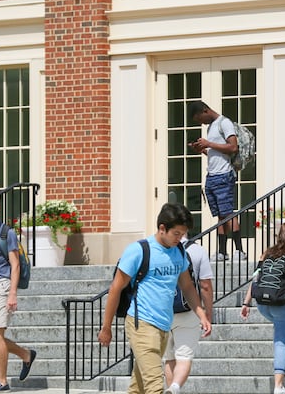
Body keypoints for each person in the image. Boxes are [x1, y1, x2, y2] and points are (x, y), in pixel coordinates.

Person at [98, 203, 212, 394]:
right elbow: (115, 289)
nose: (180, 238)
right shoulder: (139, 250)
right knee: (154, 385)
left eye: (183, 234)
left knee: (139, 386)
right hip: (141, 323)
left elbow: (187, 286)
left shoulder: (179, 252)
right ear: (162, 228)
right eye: (176, 233)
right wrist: (106, 327)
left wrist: (201, 314)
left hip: (164, 327)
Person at [240, 222, 285, 394]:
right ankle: (278, 386)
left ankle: (279, 384)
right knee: (281, 342)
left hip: (262, 304)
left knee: (278, 326)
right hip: (282, 305)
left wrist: (246, 302)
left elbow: (255, 279)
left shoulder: (267, 252)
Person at [0, 194, 36, 392]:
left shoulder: (7, 233)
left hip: (2, 285)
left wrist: (12, 293)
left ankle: (2, 381)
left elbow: (16, 264)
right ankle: (26, 355)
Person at [187, 100, 247, 261]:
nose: (201, 123)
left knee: (228, 212)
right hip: (212, 176)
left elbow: (233, 147)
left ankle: (239, 251)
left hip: (224, 175)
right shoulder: (211, 127)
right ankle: (222, 251)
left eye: (199, 119)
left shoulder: (224, 123)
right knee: (220, 215)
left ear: (205, 111)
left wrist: (209, 143)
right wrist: (202, 149)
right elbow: (216, 153)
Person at [163, 237, 214, 394]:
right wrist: (207, 314)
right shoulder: (197, 250)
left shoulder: (157, 248)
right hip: (188, 310)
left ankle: (170, 388)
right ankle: (175, 387)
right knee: (184, 357)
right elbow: (205, 285)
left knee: (169, 359)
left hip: (164, 312)